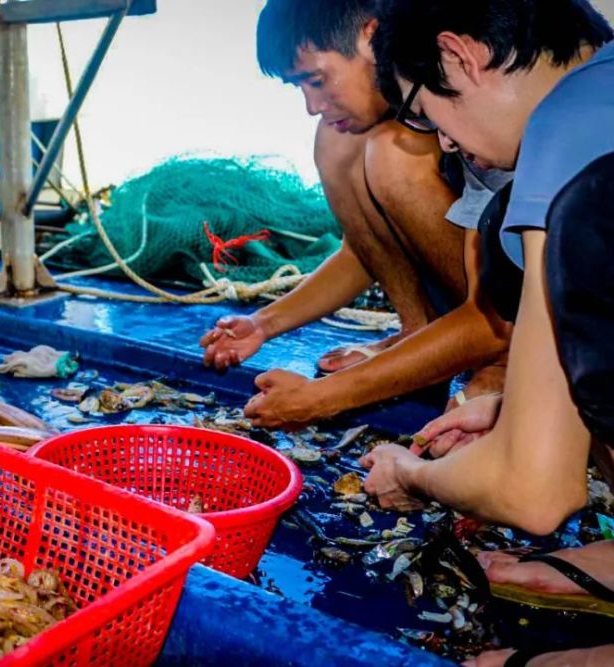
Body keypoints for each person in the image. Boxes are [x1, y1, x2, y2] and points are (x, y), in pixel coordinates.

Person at [361, 1, 614, 663]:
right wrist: (513, 406)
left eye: (422, 112)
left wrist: (413, 473)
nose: (443, 142)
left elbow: (533, 493)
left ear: (459, 56)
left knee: (568, 233)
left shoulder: (567, 136)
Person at [200, 0, 512, 430]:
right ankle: (417, 331)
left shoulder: (473, 93)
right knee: (337, 140)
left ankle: (501, 361)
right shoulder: (388, 114)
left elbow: (498, 314)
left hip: (514, 311)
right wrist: (262, 323)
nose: (312, 104)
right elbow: (362, 253)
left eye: (316, 80)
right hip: (489, 296)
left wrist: (323, 398)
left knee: (390, 153)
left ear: (371, 37)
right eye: (300, 88)